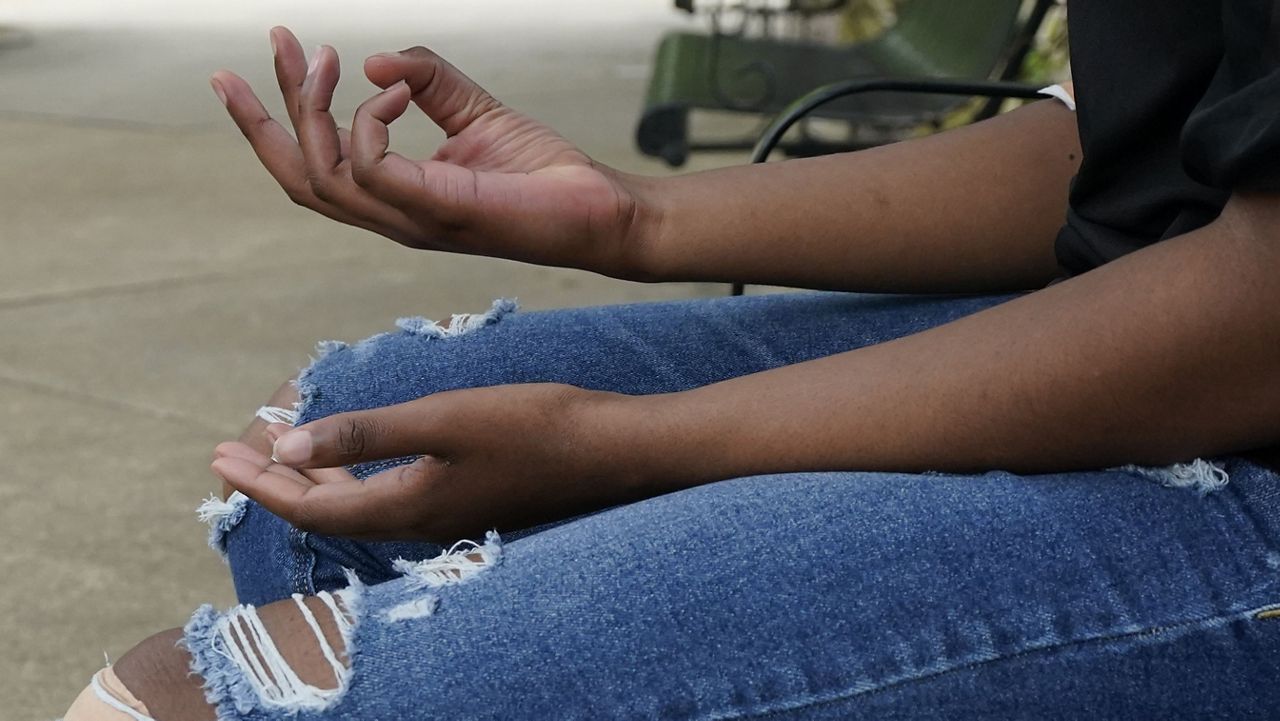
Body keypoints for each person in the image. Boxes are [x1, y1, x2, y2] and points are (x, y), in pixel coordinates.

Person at [64, 2, 1280, 719]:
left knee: (205, 696)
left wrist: (627, 444)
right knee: (340, 438)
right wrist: (632, 219)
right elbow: (1128, 145)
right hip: (1180, 303)